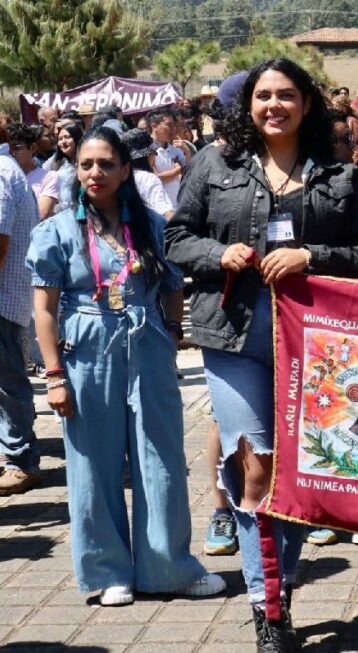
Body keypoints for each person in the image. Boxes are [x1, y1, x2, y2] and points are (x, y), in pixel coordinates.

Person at [165, 58, 358, 653]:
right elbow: (177, 237)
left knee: (297, 468)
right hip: (233, 337)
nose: (275, 105)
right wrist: (217, 250)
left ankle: (279, 581)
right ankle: (271, 617)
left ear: (306, 104)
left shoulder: (340, 174)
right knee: (254, 467)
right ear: (248, 105)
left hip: (318, 344)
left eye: (287, 95)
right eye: (264, 96)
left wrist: (310, 255)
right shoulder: (214, 164)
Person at [25, 125, 227, 604]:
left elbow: (175, 283)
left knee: (161, 459)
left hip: (148, 346)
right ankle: (107, 571)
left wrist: (172, 334)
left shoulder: (151, 225)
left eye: (106, 164)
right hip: (86, 351)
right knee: (93, 461)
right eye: (86, 165)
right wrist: (54, 376)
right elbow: (44, 310)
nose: (95, 173)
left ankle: (168, 568)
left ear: (124, 170)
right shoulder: (55, 230)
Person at [0, 147, 42, 497]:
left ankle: (21, 459)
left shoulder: (0, 172)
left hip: (3, 297)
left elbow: (0, 239)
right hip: (9, 296)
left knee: (8, 382)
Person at [6, 123, 61, 220]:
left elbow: (40, 216)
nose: (11, 153)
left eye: (16, 148)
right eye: (7, 149)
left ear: (33, 148)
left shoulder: (49, 178)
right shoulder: (4, 176)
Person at [122, 129, 174, 219]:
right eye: (153, 151)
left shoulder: (119, 178)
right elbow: (166, 213)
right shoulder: (148, 179)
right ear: (146, 156)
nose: (156, 154)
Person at [149, 110, 190, 208]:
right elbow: (154, 178)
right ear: (154, 126)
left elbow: (190, 172)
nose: (172, 129)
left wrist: (187, 151)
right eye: (168, 125)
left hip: (178, 206)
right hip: (160, 210)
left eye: (173, 125)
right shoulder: (147, 151)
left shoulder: (175, 149)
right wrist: (177, 171)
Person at [47, 124, 83, 213]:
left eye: (67, 137)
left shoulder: (87, 162)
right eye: (60, 139)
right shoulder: (54, 163)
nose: (63, 142)